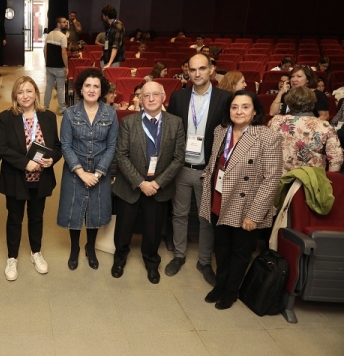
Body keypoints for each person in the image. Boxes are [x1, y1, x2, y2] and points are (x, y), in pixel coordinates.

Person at [199, 90, 283, 310]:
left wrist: (254, 215)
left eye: (245, 107)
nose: (239, 111)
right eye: (234, 107)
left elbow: (271, 179)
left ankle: (230, 291)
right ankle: (220, 285)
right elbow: (215, 162)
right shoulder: (221, 131)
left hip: (246, 204)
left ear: (255, 110)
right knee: (222, 247)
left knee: (240, 251)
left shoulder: (266, 136)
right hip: (219, 197)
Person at [165, 53, 232, 285]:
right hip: (182, 167)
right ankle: (179, 255)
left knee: (205, 218)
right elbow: (172, 132)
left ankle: (204, 261)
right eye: (192, 70)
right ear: (187, 72)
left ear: (211, 69)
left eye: (202, 68)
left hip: (208, 169)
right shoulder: (178, 97)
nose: (197, 74)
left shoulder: (225, 99)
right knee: (179, 214)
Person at [111, 81, 185, 283]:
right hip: (130, 186)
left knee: (153, 231)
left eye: (155, 95)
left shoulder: (176, 123)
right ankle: (119, 259)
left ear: (163, 97)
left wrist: (157, 183)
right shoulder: (128, 122)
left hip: (158, 187)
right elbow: (122, 156)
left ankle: (152, 262)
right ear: (140, 99)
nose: (151, 99)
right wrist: (141, 182)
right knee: (123, 229)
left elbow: (179, 158)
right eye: (146, 95)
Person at [0, 76, 62, 281]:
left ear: (36, 93)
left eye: (29, 91)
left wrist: (52, 159)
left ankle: (36, 253)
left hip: (40, 179)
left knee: (37, 217)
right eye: (20, 91)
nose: (25, 95)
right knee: (14, 219)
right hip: (16, 178)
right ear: (15, 95)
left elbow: (57, 147)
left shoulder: (49, 117)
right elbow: (1, 148)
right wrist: (25, 163)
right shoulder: (7, 117)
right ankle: (12, 258)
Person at [57, 68, 119, 270]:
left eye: (96, 86)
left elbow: (112, 146)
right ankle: (74, 248)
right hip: (75, 171)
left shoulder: (110, 113)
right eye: (87, 86)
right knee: (74, 212)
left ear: (102, 90)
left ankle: (90, 248)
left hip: (100, 171)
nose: (91, 90)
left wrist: (99, 172)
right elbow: (65, 145)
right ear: (80, 89)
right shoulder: (70, 113)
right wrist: (81, 172)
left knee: (95, 211)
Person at [268, 86, 342, 173]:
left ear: (288, 102)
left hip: (280, 179)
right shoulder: (324, 126)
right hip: (311, 181)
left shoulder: (276, 122)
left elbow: (266, 151)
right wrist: (326, 182)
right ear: (313, 102)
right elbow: (336, 159)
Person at [44, 16, 69, 115]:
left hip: (49, 66)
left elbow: (44, 49)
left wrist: (47, 61)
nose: (66, 24)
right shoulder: (63, 37)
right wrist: (66, 67)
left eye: (66, 22)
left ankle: (45, 106)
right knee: (61, 88)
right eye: (64, 22)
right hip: (59, 67)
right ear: (58, 24)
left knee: (49, 87)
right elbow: (64, 53)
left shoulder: (49, 34)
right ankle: (62, 109)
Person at [100, 5, 125, 70]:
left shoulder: (118, 26)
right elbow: (108, 42)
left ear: (107, 16)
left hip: (114, 61)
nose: (102, 17)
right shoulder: (109, 25)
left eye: (103, 15)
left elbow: (115, 46)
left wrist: (109, 64)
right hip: (106, 57)